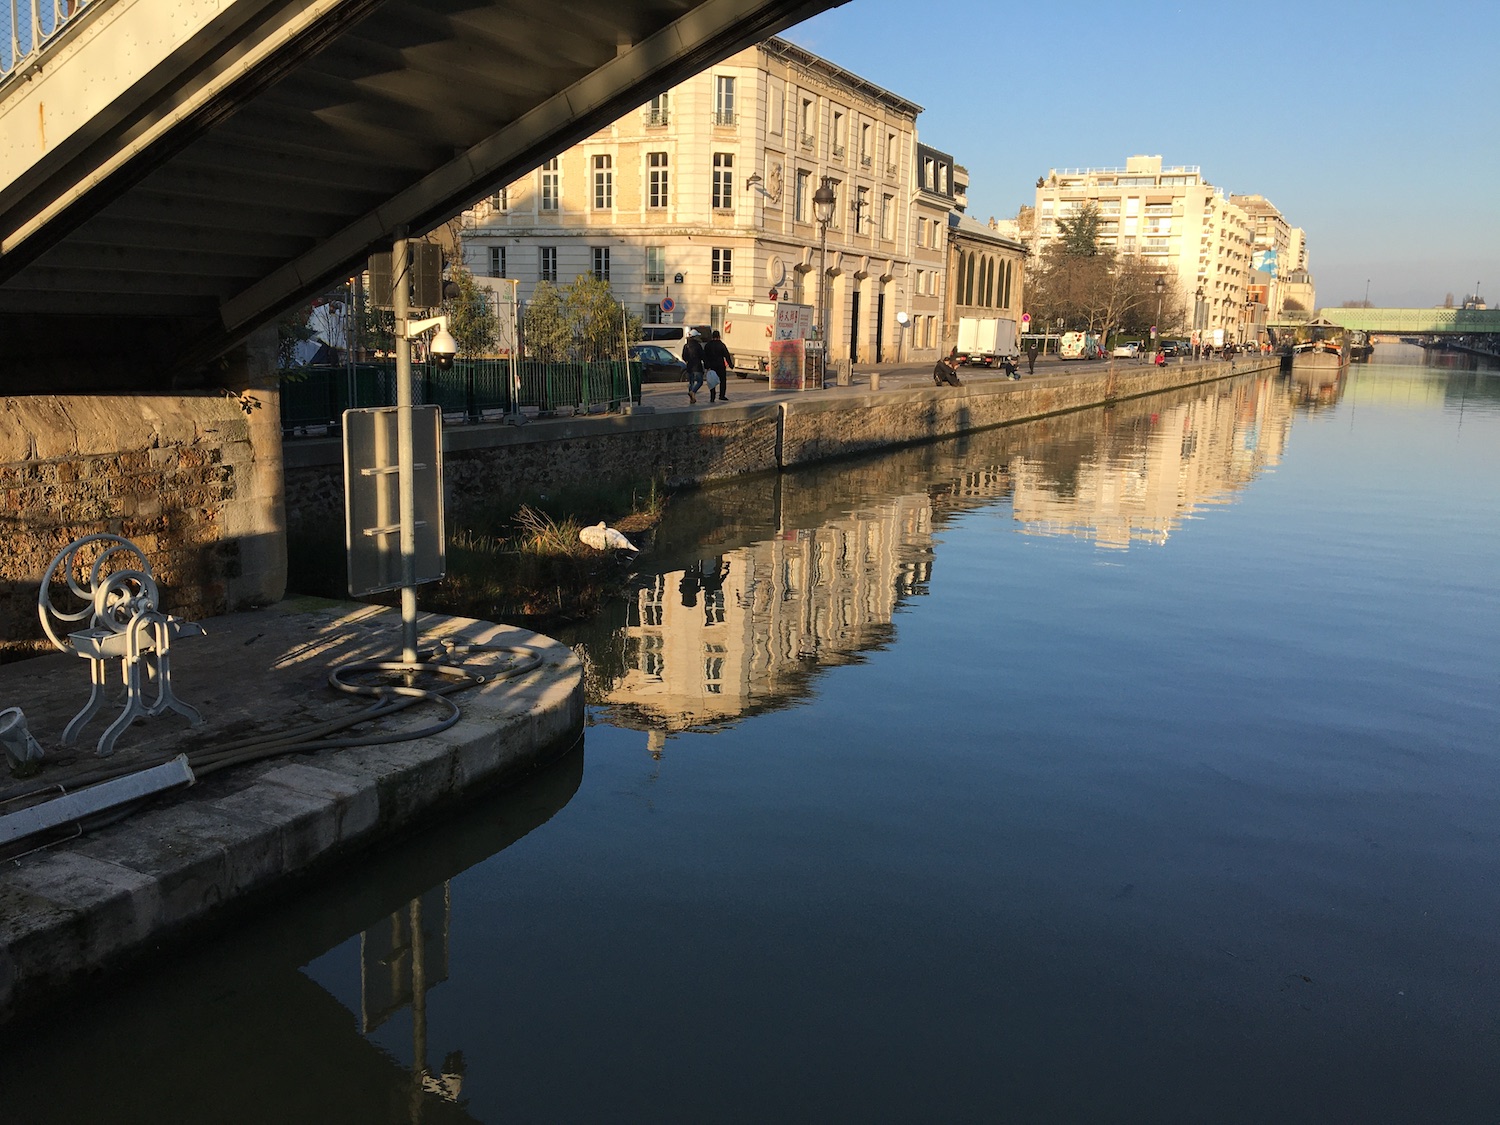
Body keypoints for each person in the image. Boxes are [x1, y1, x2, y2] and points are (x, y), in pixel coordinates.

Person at [704, 330, 733, 403]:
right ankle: (722, 395)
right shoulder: (721, 345)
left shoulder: (708, 345)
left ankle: (712, 396)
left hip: (711, 366)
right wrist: (730, 365)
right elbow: (727, 355)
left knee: (712, 380)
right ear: (719, 336)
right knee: (722, 380)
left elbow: (705, 356)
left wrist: (706, 366)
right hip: (720, 365)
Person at [682, 328, 706, 404]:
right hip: (697, 366)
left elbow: (684, 357)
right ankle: (693, 392)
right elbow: (702, 356)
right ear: (695, 337)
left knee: (691, 383)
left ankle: (692, 398)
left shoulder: (686, 346)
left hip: (689, 367)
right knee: (700, 382)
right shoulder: (698, 346)